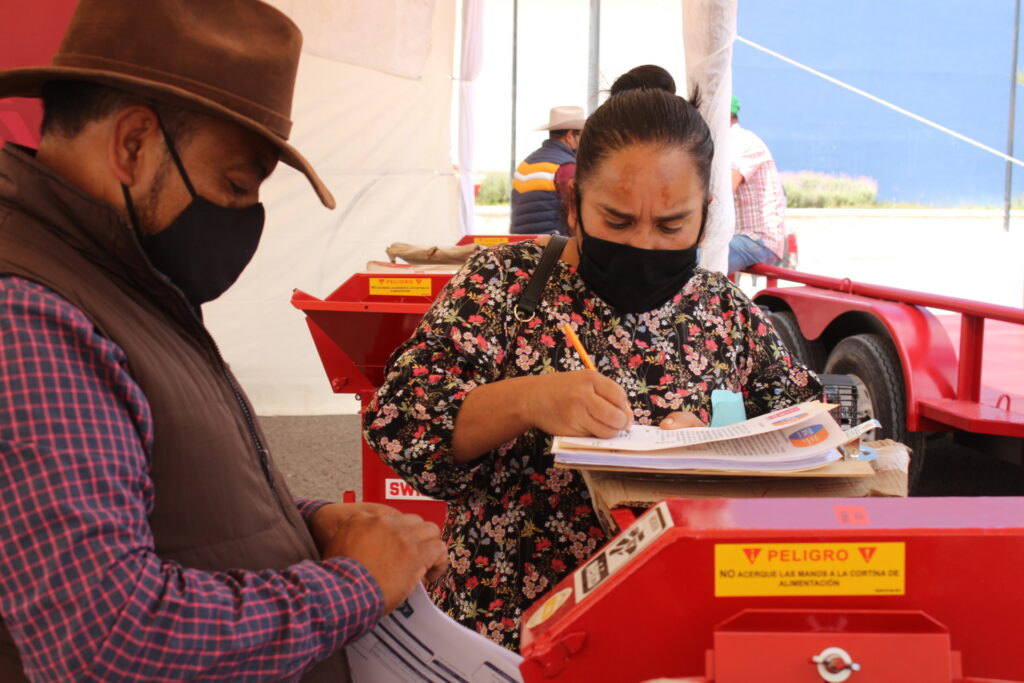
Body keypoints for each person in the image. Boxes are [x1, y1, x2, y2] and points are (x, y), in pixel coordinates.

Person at [0, 1, 446, 681]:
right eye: (235, 186)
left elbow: (161, 492)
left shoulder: (117, 276)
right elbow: (108, 641)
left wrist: (310, 520)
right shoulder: (29, 315)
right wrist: (356, 584)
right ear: (133, 145)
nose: (246, 220)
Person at [364, 69, 822, 650]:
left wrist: (718, 443)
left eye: (672, 223)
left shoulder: (722, 311)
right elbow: (402, 426)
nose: (645, 245)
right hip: (512, 633)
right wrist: (528, 398)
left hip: (676, 630)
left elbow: (808, 424)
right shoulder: (502, 288)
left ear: (705, 214)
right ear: (574, 203)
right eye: (618, 220)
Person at [729, 94, 789, 274]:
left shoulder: (741, 142)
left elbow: (720, 194)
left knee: (697, 261)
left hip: (759, 240)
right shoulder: (724, 145)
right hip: (741, 238)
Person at [509, 105, 586, 235]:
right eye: (581, 136)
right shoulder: (566, 167)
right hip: (551, 247)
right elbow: (576, 215)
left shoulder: (525, 164)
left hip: (521, 246)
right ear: (569, 135)